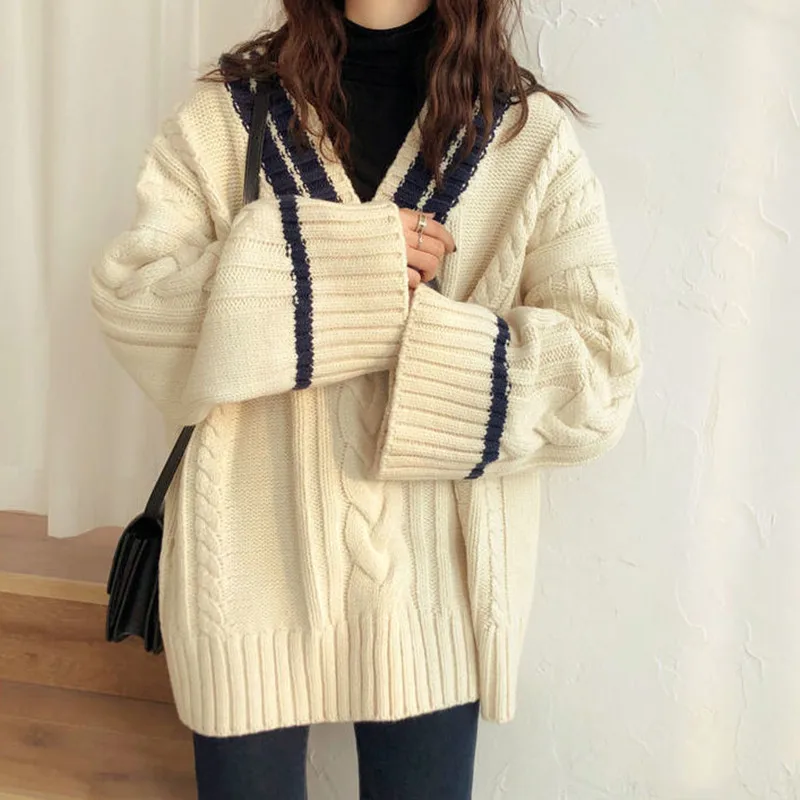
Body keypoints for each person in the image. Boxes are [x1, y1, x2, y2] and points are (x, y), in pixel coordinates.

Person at [91, 0, 642, 797]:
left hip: (435, 604)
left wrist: (422, 345)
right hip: (242, 593)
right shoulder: (226, 117)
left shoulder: (525, 139)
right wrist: (341, 268)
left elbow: (600, 378)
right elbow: (135, 308)